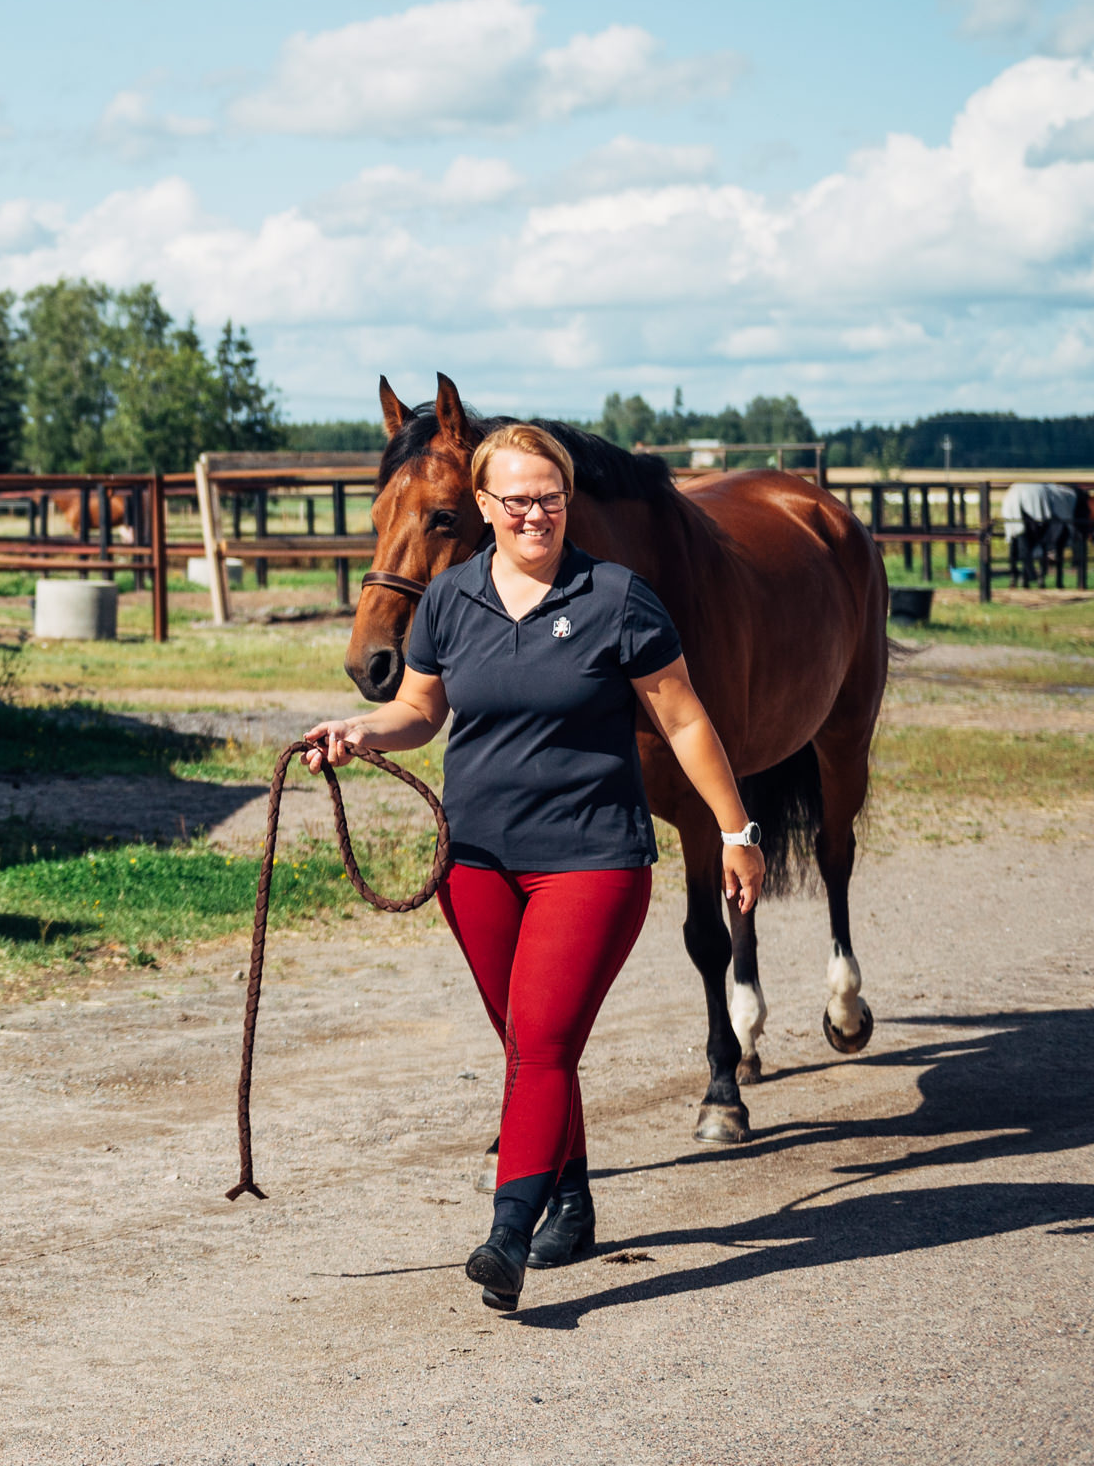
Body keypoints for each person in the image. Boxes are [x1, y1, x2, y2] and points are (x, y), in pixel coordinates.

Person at [304, 422, 765, 1314]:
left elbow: (684, 721)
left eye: (547, 496)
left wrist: (735, 828)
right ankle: (576, 1196)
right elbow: (416, 712)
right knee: (526, 1043)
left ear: (568, 501)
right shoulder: (448, 602)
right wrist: (357, 732)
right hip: (474, 861)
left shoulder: (618, 597)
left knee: (546, 1041)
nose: (532, 513)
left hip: (591, 859)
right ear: (482, 507)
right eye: (513, 498)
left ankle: (508, 1231)